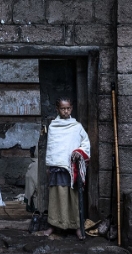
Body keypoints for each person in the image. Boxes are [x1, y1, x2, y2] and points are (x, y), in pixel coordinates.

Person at [42, 97, 90, 240]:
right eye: (63, 109)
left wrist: (79, 151)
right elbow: (53, 147)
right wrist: (50, 165)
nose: (66, 111)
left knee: (72, 197)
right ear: (58, 109)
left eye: (68, 108)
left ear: (72, 108)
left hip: (71, 167)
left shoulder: (77, 127)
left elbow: (85, 143)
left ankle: (76, 226)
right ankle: (54, 224)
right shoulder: (53, 126)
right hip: (57, 166)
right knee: (56, 196)